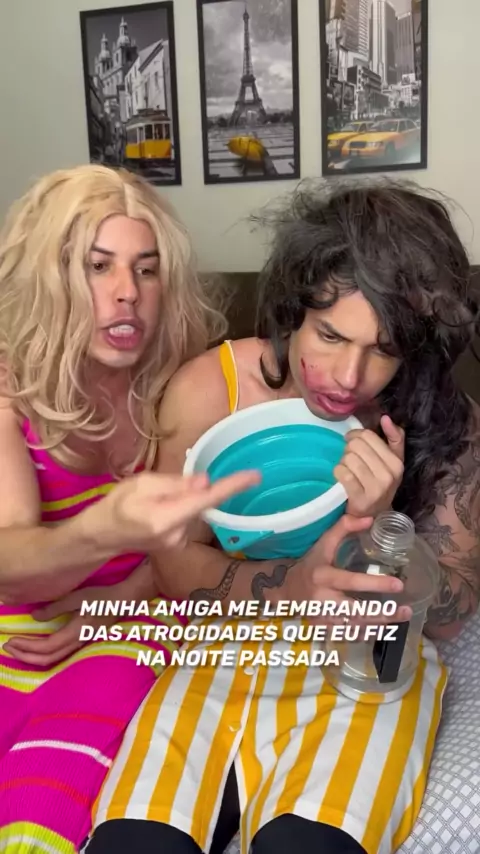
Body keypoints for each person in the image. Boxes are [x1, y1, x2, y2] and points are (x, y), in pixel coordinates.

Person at [85, 182, 480, 853]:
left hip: (366, 671)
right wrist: (291, 586)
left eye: (383, 349)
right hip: (223, 656)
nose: (348, 375)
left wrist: (382, 526)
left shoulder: (448, 422)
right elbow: (173, 566)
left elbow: (449, 614)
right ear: (294, 310)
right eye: (330, 334)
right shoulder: (212, 389)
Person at [0, 163, 259, 853]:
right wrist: (100, 531)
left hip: (144, 619)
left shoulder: (185, 378)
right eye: (99, 266)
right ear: (49, 276)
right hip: (25, 626)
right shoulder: (9, 389)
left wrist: (119, 599)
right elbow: (11, 564)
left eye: (147, 270)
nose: (128, 293)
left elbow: (208, 538)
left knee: (43, 795)